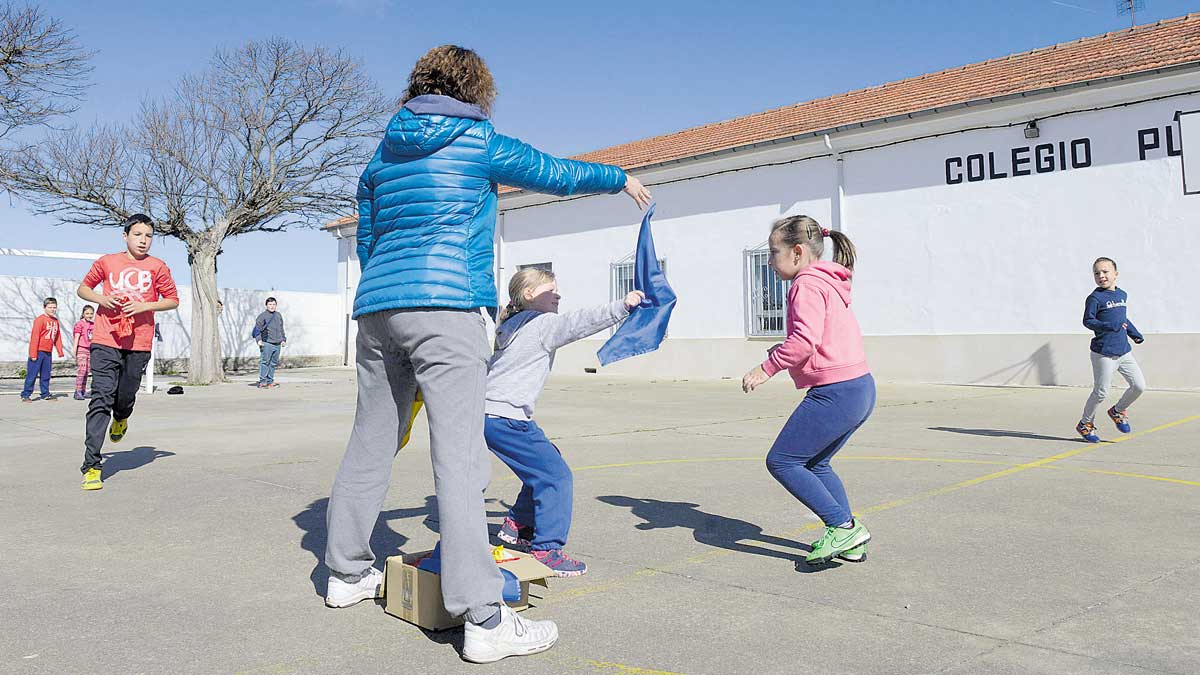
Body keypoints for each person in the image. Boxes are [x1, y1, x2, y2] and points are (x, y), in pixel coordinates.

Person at [322, 44, 650, 664]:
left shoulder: (384, 150)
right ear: (476, 88)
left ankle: (346, 575)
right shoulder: (478, 140)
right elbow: (555, 172)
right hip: (447, 310)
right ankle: (484, 617)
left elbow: (367, 233)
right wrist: (618, 177)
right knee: (461, 458)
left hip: (377, 311)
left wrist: (390, 289)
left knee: (369, 442)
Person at [486, 268, 644, 577]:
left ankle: (518, 524)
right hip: (507, 417)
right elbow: (578, 323)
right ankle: (547, 548)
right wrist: (622, 307)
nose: (558, 295)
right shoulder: (543, 324)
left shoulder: (511, 325)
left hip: (492, 415)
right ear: (529, 295)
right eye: (551, 290)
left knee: (547, 464)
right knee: (557, 478)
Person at [741, 215, 874, 566]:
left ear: (797, 252)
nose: (770, 261)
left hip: (836, 392)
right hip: (859, 387)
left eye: (773, 252)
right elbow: (819, 337)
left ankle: (842, 525)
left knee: (782, 461)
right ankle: (851, 540)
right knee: (816, 463)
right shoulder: (828, 281)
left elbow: (804, 340)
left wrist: (765, 368)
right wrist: (780, 351)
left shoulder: (805, 285)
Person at [76, 214, 180, 491]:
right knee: (101, 398)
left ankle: (121, 417)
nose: (143, 240)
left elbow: (172, 300)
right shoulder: (107, 262)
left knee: (124, 397)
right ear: (126, 236)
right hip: (105, 338)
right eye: (138, 234)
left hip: (138, 343)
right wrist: (102, 298)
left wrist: (145, 307)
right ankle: (92, 465)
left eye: (148, 236)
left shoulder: (158, 267)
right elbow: (83, 288)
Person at [1076, 257, 1146, 443]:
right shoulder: (1095, 298)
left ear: (1116, 274)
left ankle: (1117, 410)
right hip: (1103, 353)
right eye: (1097, 273)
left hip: (1124, 351)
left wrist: (1134, 333)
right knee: (1101, 392)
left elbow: (1122, 319)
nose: (1101, 276)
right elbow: (1088, 321)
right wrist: (1107, 325)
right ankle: (1085, 424)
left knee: (1139, 386)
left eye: (1105, 271)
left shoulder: (1122, 295)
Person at [21, 297, 64, 402]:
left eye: (54, 307)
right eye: (50, 307)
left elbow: (57, 336)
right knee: (32, 374)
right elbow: (35, 337)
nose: (52, 309)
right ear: (44, 307)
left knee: (46, 375)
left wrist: (60, 351)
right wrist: (33, 353)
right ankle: (26, 394)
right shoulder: (39, 320)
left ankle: (45, 393)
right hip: (38, 351)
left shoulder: (55, 321)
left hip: (48, 353)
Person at [253, 297, 286, 388]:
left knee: (273, 363)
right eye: (270, 304)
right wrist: (259, 340)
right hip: (267, 343)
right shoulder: (262, 316)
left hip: (277, 343)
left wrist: (283, 339)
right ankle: (263, 381)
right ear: (266, 305)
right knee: (265, 362)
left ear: (276, 305)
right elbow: (257, 330)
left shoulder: (278, 315)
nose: (272, 306)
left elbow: (281, 328)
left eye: (274, 304)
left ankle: (270, 381)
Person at [72, 305, 96, 400]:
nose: (89, 315)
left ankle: (83, 390)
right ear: (83, 314)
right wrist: (74, 349)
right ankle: (77, 391)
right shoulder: (79, 324)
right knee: (81, 370)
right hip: (81, 349)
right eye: (87, 313)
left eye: (91, 313)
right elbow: (77, 337)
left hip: (90, 350)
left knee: (86, 371)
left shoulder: (93, 324)